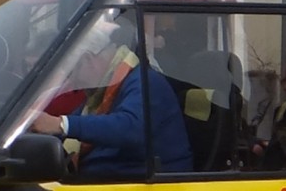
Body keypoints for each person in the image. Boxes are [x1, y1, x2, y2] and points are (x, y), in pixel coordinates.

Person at [30, 19, 192, 178]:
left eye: (72, 72)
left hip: (147, 190)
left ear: (88, 60)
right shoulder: (101, 92)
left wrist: (61, 124)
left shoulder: (146, 81)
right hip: (113, 183)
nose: (73, 82)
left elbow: (129, 127)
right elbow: (77, 125)